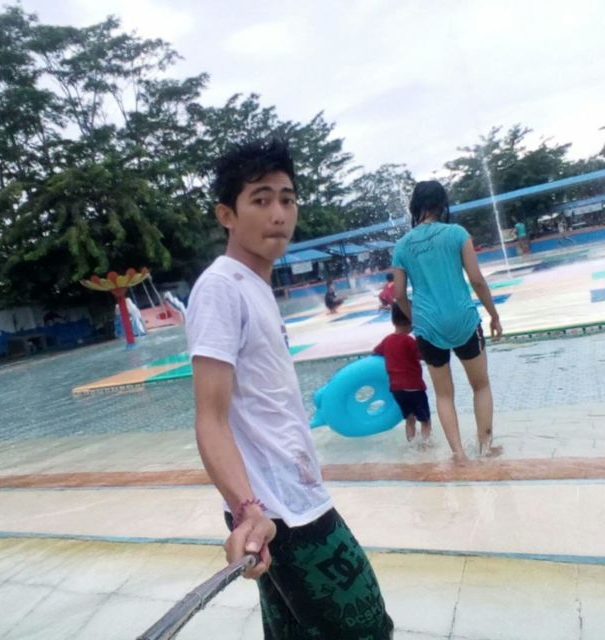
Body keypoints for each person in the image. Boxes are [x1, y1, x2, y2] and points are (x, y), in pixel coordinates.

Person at [186, 138, 394, 639]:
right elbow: (209, 417)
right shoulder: (221, 287)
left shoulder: (254, 286)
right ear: (226, 215)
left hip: (282, 503)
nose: (279, 213)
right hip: (280, 512)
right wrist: (247, 510)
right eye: (260, 200)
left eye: (287, 199)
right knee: (367, 628)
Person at [392, 180, 503, 463]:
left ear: (415, 206)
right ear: (442, 204)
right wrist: (494, 314)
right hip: (463, 319)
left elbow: (399, 294)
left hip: (428, 326)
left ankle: (459, 455)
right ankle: (485, 447)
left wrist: (415, 318)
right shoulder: (457, 233)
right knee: (480, 386)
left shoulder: (402, 246)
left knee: (444, 395)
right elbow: (477, 280)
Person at [374, 303, 431, 443]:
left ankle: (411, 445)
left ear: (393, 320)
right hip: (414, 387)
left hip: (397, 389)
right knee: (425, 420)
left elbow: (376, 352)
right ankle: (426, 447)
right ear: (411, 320)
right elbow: (424, 356)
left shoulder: (387, 340)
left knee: (410, 419)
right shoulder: (409, 341)